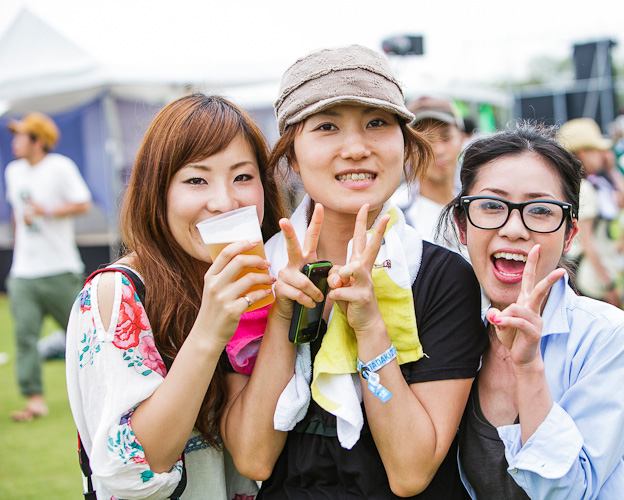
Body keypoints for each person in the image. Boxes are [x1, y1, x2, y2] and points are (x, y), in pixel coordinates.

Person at [221, 45, 487, 499]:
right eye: (327, 127)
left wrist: (370, 327)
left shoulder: (442, 277)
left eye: (377, 123)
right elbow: (253, 458)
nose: (357, 148)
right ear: (291, 156)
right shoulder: (255, 273)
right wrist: (284, 314)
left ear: (405, 143)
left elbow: (410, 472)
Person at [438, 123, 624, 498]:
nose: (514, 229)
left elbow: (569, 491)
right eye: (491, 206)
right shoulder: (448, 334)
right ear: (462, 224)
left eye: (540, 210)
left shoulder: (609, 338)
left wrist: (528, 368)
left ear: (569, 234)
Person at [66, 94, 286, 499]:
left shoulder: (277, 279)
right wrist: (209, 332)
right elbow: (136, 469)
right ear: (158, 191)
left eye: (242, 177)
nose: (224, 202)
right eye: (196, 180)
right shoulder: (118, 293)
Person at [5, 112, 92, 422]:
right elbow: (17, 213)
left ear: (38, 141)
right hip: (23, 273)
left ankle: (98, 392)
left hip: (60, 269)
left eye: (21, 136)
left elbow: (83, 203)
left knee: (82, 335)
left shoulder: (60, 167)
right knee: (24, 337)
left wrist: (48, 211)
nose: (14, 142)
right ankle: (34, 401)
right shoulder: (13, 171)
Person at [557, 118, 624, 306]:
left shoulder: (591, 184)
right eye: (595, 150)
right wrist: (608, 283)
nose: (602, 155)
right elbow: (587, 241)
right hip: (590, 277)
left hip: (590, 273)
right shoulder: (585, 189)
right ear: (581, 154)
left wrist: (612, 170)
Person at [391, 96, 464, 248]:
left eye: (446, 138)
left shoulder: (478, 204)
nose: (439, 150)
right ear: (407, 148)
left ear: (461, 139)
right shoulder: (394, 215)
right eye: (426, 141)